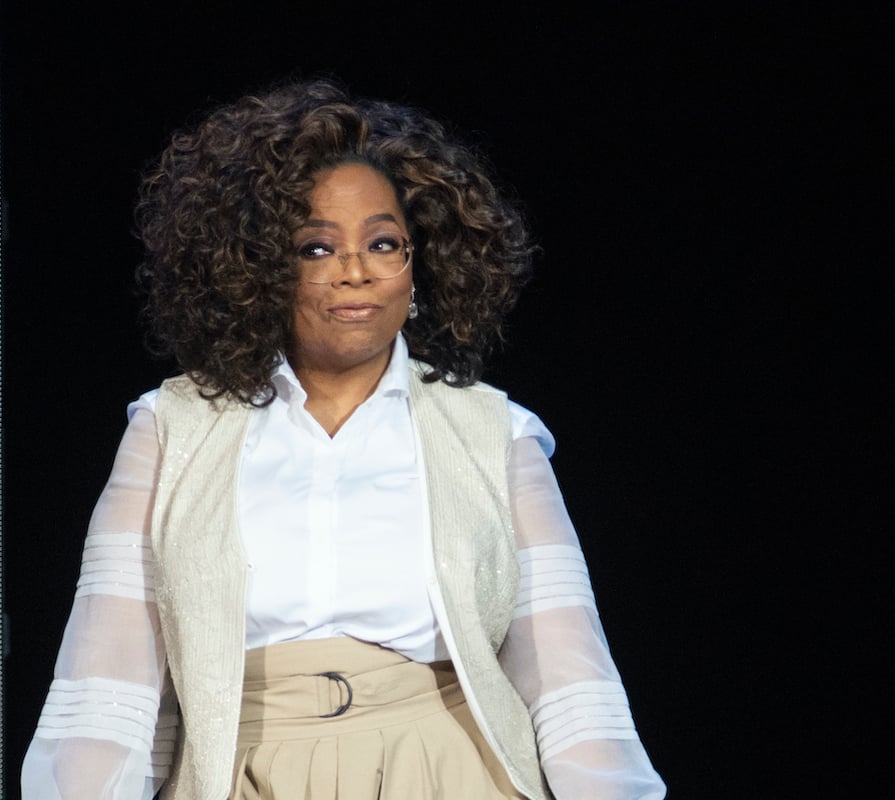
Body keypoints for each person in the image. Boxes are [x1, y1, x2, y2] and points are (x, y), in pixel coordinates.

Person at [21, 77, 666, 800]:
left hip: (453, 769)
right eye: (316, 247)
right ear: (259, 269)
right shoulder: (172, 430)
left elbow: (566, 670)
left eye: (383, 243)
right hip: (243, 770)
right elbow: (110, 674)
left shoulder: (493, 432)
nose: (355, 270)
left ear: (419, 264)